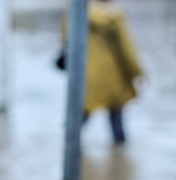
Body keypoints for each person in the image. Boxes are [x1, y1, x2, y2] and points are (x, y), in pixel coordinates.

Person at [62, 0, 145, 144]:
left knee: (79, 119)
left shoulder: (75, 12)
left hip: (85, 75)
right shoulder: (114, 15)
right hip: (113, 76)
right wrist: (137, 71)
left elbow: (65, 40)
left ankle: (69, 145)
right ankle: (120, 153)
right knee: (117, 121)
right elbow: (125, 49)